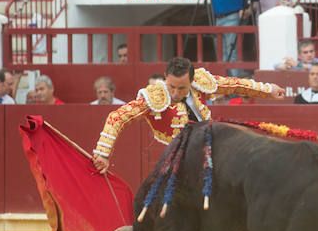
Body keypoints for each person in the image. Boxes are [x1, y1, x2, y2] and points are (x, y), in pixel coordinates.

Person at [91, 57, 284, 165]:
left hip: (208, 144)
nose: (175, 93)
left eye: (181, 89)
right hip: (174, 155)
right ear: (166, 77)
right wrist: (103, 154)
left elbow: (234, 85)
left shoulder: (200, 82)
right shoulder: (154, 96)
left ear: (191, 81)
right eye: (172, 86)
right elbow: (117, 117)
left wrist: (268, 90)